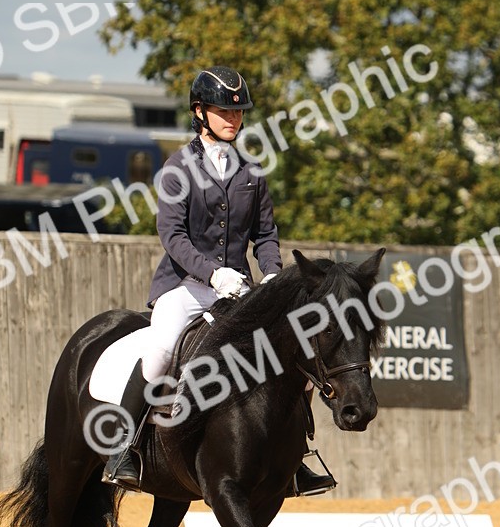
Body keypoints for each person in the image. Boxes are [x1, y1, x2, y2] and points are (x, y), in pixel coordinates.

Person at [102, 65, 336, 495]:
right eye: (223, 111)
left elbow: (265, 234)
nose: (233, 118)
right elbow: (172, 235)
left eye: (238, 112)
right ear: (199, 112)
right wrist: (212, 273)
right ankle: (124, 447)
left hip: (241, 289)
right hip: (186, 287)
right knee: (160, 350)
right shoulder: (177, 168)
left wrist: (271, 274)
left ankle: (296, 457)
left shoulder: (251, 171)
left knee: (293, 351)